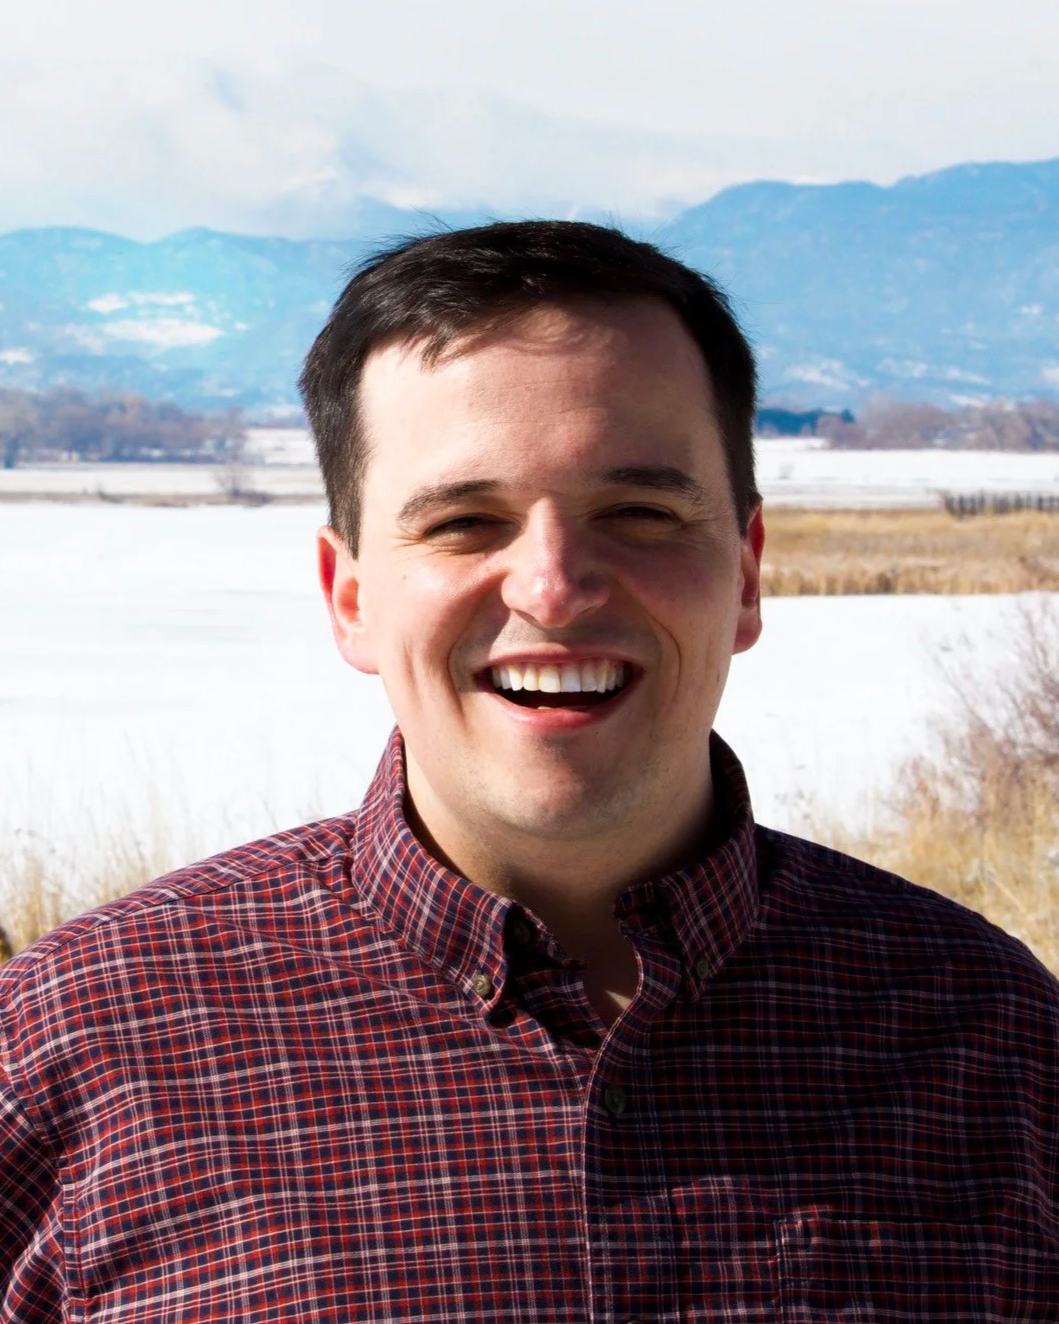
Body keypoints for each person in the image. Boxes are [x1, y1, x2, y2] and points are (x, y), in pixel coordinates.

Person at [2, 220, 1058, 1321]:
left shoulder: (992, 1039)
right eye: (464, 523)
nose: (552, 588)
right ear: (350, 596)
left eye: (639, 513)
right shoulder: (82, 1048)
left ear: (745, 575)